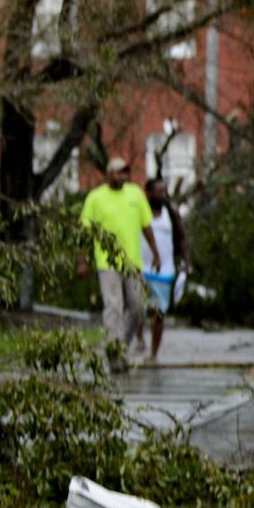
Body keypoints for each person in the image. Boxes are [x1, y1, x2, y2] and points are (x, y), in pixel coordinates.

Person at [78, 156, 158, 364]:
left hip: (132, 262)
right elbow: (85, 232)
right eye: (117, 172)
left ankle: (120, 345)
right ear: (108, 174)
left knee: (138, 307)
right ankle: (113, 353)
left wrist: (155, 252)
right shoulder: (95, 198)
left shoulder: (136, 195)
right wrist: (82, 260)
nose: (121, 176)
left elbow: (146, 226)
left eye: (124, 172)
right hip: (107, 262)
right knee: (114, 306)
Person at [140, 176, 188, 363]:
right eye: (159, 191)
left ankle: (154, 353)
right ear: (148, 192)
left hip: (164, 271)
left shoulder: (170, 213)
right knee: (137, 309)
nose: (163, 195)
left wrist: (186, 262)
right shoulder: (139, 211)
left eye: (164, 191)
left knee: (158, 313)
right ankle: (138, 339)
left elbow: (182, 237)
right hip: (140, 268)